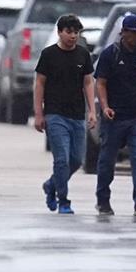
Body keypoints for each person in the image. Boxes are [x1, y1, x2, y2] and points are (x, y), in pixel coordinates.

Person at [94, 13, 136, 216]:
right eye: (135, 33)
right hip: (114, 117)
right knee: (107, 160)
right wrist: (104, 107)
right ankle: (103, 199)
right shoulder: (109, 55)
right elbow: (100, 83)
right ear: (124, 32)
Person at [34, 14, 97, 215]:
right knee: (61, 159)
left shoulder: (83, 55)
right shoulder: (49, 54)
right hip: (55, 114)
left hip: (77, 114)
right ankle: (64, 200)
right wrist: (38, 113)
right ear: (60, 32)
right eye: (69, 32)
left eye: (76, 32)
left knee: (76, 160)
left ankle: (51, 184)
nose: (72, 36)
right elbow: (39, 84)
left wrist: (92, 111)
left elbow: (88, 82)